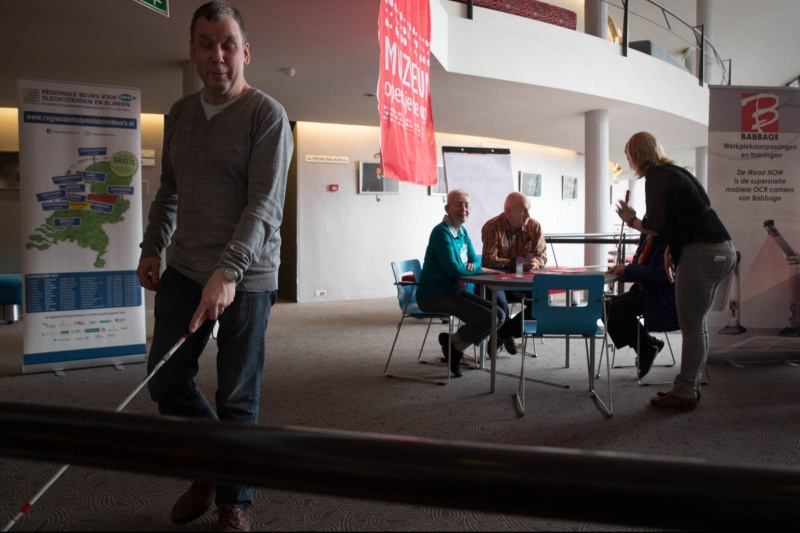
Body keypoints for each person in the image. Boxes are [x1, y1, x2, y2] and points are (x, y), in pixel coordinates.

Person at [136, 2, 292, 531]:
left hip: (246, 279)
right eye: (206, 43)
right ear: (192, 51)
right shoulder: (178, 115)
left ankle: (234, 501)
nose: (217, 55)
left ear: (245, 52)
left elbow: (264, 206)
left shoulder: (266, 116)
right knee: (165, 379)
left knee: (237, 395)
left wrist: (228, 272)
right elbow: (169, 192)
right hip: (183, 270)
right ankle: (210, 466)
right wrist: (152, 245)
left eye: (227, 44)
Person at [616, 131, 735, 411]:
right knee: (698, 326)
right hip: (721, 249)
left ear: (636, 155)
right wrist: (671, 249)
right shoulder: (678, 173)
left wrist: (630, 219)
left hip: (701, 253)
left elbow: (656, 224)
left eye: (628, 155)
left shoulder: (656, 177)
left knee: (692, 327)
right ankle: (689, 388)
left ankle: (684, 392)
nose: (629, 160)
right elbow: (684, 219)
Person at [416, 189, 504, 377]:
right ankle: (455, 347)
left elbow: (475, 260)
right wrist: (482, 269)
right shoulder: (441, 233)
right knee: (489, 318)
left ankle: (454, 343)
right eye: (458, 204)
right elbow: (454, 269)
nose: (463, 209)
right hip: (433, 295)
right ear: (447, 208)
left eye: (466, 205)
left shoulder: (461, 232)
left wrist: (474, 266)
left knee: (500, 314)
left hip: (452, 291)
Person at [481, 192, 547, 354]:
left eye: (529, 210)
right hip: (495, 280)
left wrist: (535, 263)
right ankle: (506, 333)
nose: (528, 215)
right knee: (501, 308)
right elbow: (489, 260)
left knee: (542, 302)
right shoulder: (492, 227)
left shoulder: (534, 226)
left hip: (523, 281)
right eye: (523, 210)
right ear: (508, 212)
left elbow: (542, 255)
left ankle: (504, 333)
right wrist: (517, 263)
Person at [606, 232, 678, 379]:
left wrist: (629, 270)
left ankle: (647, 347)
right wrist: (624, 272)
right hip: (646, 291)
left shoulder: (669, 239)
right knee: (605, 307)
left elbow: (662, 276)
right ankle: (648, 345)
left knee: (616, 309)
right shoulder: (647, 236)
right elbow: (641, 267)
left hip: (663, 297)